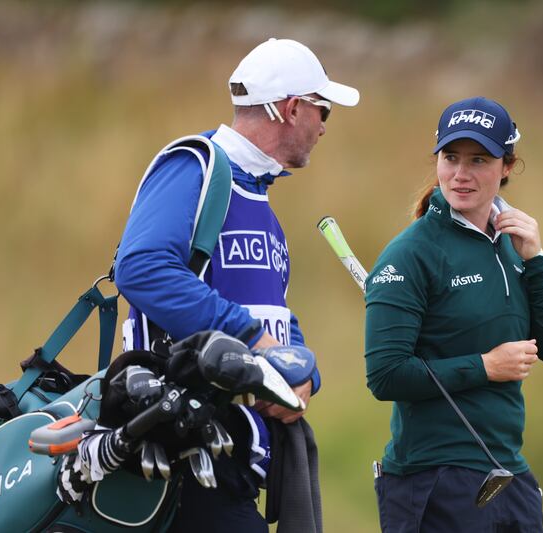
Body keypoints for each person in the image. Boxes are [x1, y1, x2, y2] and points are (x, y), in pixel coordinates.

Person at [114, 37, 359, 532]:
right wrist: (249, 339)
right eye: (323, 110)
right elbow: (140, 267)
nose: (323, 127)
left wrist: (302, 375)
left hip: (231, 453)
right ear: (292, 108)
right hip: (179, 447)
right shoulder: (196, 166)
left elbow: (272, 316)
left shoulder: (258, 196)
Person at [364, 96, 543, 532]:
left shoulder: (513, 246)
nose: (461, 174)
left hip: (506, 472)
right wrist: (486, 366)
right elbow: (385, 375)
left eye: (478, 160)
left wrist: (537, 260)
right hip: (432, 476)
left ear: (506, 167)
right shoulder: (410, 254)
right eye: (451, 158)